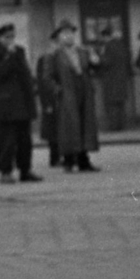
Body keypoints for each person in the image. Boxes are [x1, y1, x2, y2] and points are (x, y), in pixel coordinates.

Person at [0, 23, 42, 183]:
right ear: (0, 38)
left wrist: (33, 88)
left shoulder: (20, 51)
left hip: (22, 104)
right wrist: (9, 57)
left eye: (12, 37)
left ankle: (25, 170)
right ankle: (5, 172)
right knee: (7, 141)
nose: (10, 40)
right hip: (6, 105)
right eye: (7, 37)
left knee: (25, 141)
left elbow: (24, 73)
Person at [42, 20, 100, 172]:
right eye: (65, 34)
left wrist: (95, 60)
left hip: (84, 92)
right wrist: (57, 90)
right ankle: (68, 160)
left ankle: (83, 160)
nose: (69, 37)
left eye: (71, 33)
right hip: (67, 93)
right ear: (59, 37)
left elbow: (93, 68)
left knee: (84, 125)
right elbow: (47, 77)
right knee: (68, 127)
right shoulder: (54, 55)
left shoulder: (82, 52)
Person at [96, 23, 134, 132]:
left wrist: (99, 57)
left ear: (104, 36)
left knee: (111, 105)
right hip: (122, 80)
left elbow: (106, 62)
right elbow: (128, 61)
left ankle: (113, 128)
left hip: (111, 80)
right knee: (121, 105)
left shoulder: (107, 46)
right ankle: (122, 127)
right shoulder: (122, 45)